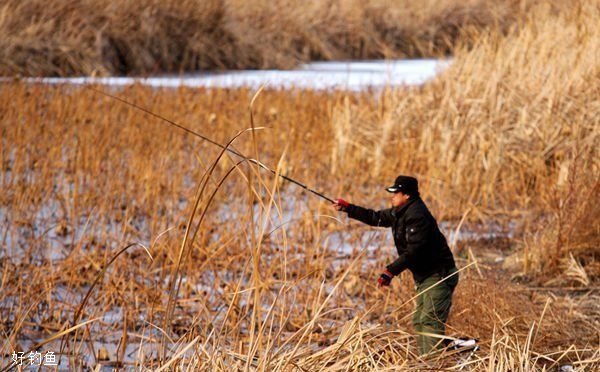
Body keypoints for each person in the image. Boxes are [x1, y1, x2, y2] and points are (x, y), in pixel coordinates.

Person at [333, 175, 458, 355]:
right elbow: (375, 217)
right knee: (419, 320)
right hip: (426, 276)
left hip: (439, 274)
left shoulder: (417, 215)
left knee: (429, 321)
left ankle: (435, 363)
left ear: (406, 195)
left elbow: (415, 251)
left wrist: (389, 271)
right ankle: (429, 361)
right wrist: (348, 208)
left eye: (395, 192)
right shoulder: (400, 211)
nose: (392, 196)